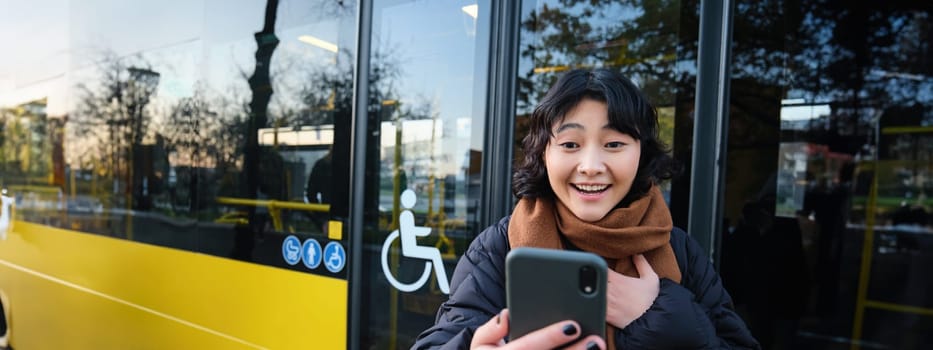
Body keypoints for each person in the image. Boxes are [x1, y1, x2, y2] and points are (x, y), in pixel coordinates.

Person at [412, 68, 759, 349]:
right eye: (569, 144)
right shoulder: (498, 248)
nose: (591, 165)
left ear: (641, 154)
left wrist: (665, 317)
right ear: (544, 153)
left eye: (613, 144)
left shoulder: (680, 250)